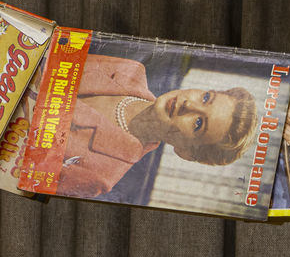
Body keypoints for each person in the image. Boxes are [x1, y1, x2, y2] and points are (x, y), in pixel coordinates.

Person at [57, 53, 256, 198]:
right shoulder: (130, 70)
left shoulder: (101, 174)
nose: (189, 105)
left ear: (185, 152)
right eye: (206, 97)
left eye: (198, 123)